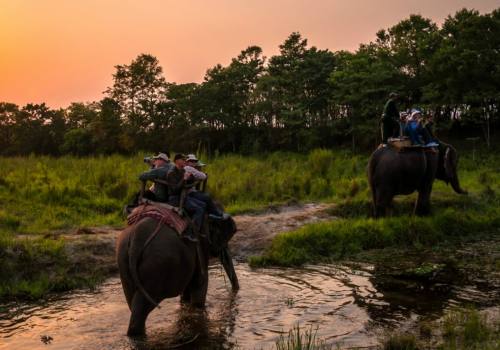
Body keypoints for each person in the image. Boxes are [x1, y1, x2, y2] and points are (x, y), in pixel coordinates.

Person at [166, 154, 207, 240]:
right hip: (175, 199)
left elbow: (191, 179)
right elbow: (174, 190)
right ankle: (190, 233)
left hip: (183, 197)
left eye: (185, 159)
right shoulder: (171, 173)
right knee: (198, 209)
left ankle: (199, 230)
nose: (185, 161)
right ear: (177, 161)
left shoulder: (182, 170)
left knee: (203, 205)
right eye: (183, 159)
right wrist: (184, 179)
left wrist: (191, 177)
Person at [184, 154, 228, 220]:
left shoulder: (184, 168)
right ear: (187, 162)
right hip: (189, 193)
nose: (193, 163)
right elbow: (203, 176)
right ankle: (218, 214)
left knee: (203, 197)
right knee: (207, 198)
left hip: (188, 191)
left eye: (194, 161)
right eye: (191, 161)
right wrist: (203, 175)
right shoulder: (189, 168)